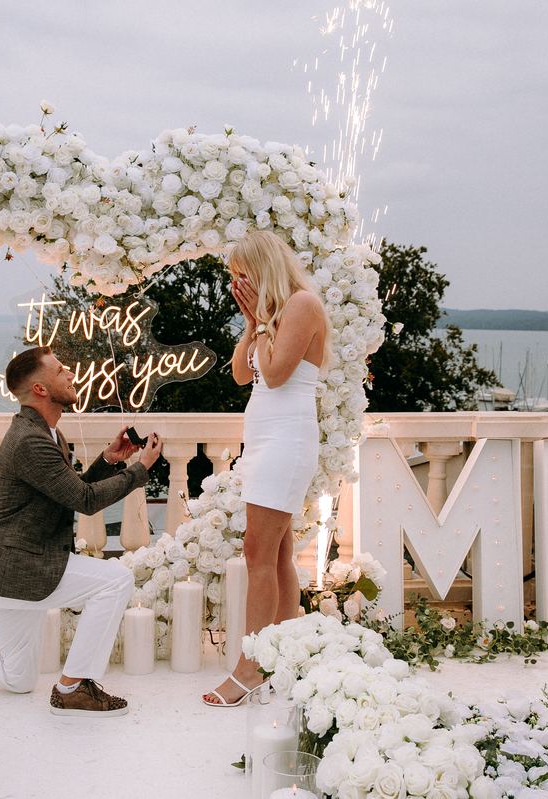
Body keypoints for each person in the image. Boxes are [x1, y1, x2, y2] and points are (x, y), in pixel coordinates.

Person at [0, 346, 164, 717]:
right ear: (41, 389)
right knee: (115, 579)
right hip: (19, 566)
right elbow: (85, 500)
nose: (71, 374)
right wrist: (140, 470)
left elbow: (69, 493)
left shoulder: (45, 433)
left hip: (2, 573)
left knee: (17, 677)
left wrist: (109, 460)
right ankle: (72, 686)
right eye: (60, 371)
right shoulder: (30, 440)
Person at [203, 230, 327, 707]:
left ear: (262, 268)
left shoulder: (303, 304)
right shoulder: (273, 315)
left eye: (242, 274)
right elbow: (241, 374)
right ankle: (287, 654)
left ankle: (249, 668)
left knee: (257, 554)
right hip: (264, 444)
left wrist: (260, 319)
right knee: (276, 556)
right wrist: (252, 322)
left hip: (287, 442)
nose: (237, 284)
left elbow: (274, 376)